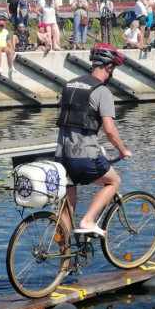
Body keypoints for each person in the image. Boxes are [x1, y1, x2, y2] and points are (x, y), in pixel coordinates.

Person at [54, 43, 132, 237]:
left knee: (66, 212)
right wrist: (122, 151)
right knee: (114, 181)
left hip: (61, 156)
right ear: (109, 67)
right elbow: (109, 129)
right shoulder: (102, 91)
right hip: (83, 156)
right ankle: (88, 220)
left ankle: (66, 265)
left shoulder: (69, 84)